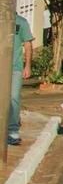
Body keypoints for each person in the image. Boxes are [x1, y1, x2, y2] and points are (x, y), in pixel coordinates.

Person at [8, 11, 33, 146]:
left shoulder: (21, 22)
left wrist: (27, 65)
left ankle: (12, 130)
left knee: (13, 97)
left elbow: (28, 44)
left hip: (15, 67)